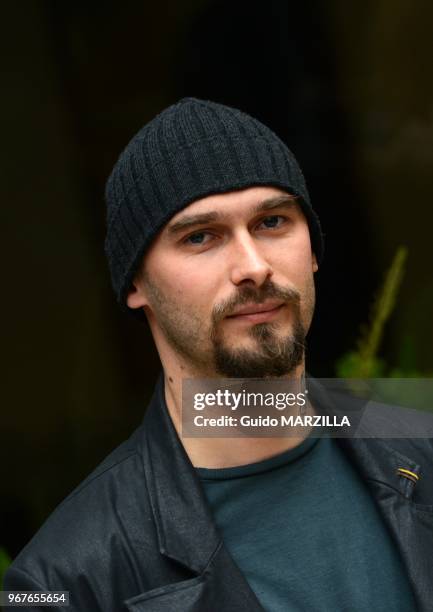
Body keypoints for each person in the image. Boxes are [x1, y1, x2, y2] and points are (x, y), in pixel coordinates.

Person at [4, 98, 433, 611]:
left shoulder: (421, 451)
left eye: (272, 222)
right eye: (201, 236)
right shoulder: (68, 578)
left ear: (313, 250)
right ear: (136, 283)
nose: (253, 266)